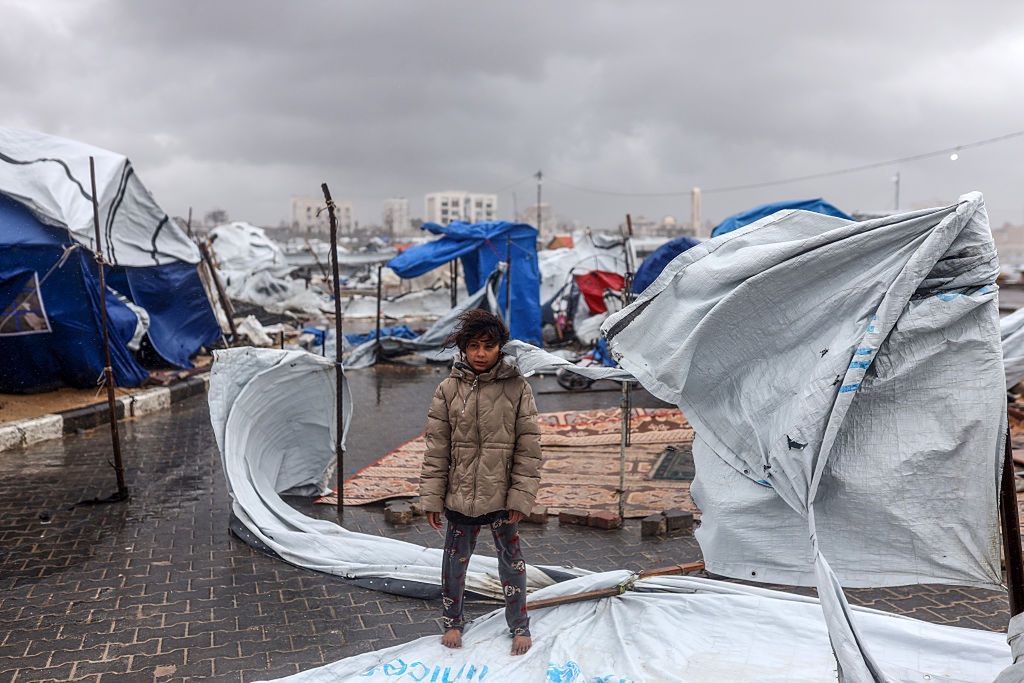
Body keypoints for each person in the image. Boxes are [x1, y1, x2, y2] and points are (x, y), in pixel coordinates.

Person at [419, 308, 542, 656]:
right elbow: (436, 448)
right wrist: (431, 498)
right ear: (463, 348)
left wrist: (520, 497)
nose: (480, 353)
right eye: (473, 346)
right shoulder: (447, 389)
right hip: (459, 496)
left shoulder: (518, 388)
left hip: (502, 497)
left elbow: (529, 447)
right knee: (453, 565)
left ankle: (519, 625)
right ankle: (452, 622)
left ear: (500, 347)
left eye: (488, 346)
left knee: (512, 563)